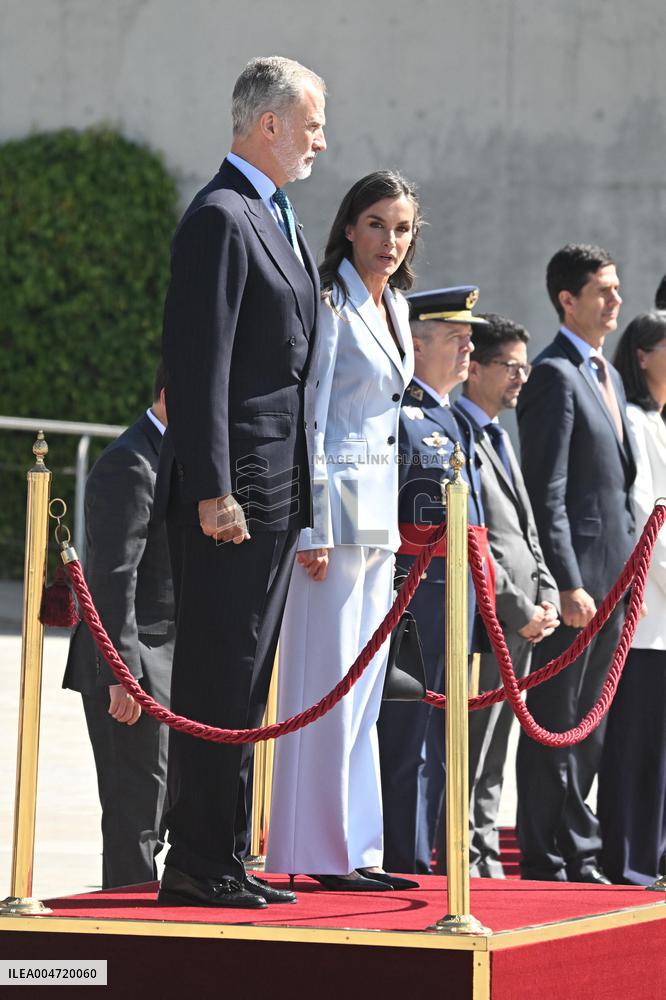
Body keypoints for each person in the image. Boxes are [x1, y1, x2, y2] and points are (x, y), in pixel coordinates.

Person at [157, 56, 326, 909]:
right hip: (233, 495)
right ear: (268, 124)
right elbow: (199, 365)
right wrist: (212, 487)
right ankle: (193, 861)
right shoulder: (222, 215)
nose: (320, 143)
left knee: (247, 681)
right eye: (311, 124)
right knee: (217, 675)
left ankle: (225, 851)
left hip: (275, 488)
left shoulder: (278, 215)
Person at [265, 170, 421, 891]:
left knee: (361, 694)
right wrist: (312, 524)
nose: (391, 240)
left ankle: (356, 848)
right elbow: (313, 417)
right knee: (322, 688)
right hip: (332, 525)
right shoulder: (330, 300)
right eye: (378, 224)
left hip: (377, 524)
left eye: (402, 227)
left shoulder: (398, 307)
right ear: (350, 227)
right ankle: (313, 851)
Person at [515, 243, 636, 883]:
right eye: (602, 290)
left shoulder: (606, 374)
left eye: (617, 289)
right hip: (577, 583)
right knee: (557, 721)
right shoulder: (555, 375)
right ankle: (549, 853)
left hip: (615, 580)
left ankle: (575, 846)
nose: (616, 300)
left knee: (591, 723)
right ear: (568, 299)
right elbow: (548, 492)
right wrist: (565, 581)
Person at [377, 285, 489, 875]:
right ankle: (403, 853)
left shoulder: (452, 416)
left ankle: (438, 854)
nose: (468, 347)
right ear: (415, 345)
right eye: (454, 337)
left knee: (446, 735)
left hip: (457, 595)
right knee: (407, 732)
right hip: (414, 594)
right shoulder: (400, 413)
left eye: (469, 338)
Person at [454, 314, 560, 878]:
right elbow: (476, 539)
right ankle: (464, 858)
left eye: (525, 366)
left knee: (497, 754)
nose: (522, 377)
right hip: (488, 622)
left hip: (523, 618)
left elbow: (525, 532)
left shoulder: (498, 433)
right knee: (471, 751)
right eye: (511, 366)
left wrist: (543, 596)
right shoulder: (459, 432)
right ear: (474, 369)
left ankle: (485, 854)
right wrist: (519, 609)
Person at [63, 363, 174, 889]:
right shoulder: (130, 462)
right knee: (136, 814)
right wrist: (123, 673)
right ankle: (127, 933)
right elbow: (112, 580)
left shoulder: (176, 456)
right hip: (132, 662)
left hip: (168, 657)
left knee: (166, 804)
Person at [598, 311, 666, 885]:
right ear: (642, 355)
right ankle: (627, 861)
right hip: (648, 611)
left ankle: (652, 856)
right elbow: (647, 516)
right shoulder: (639, 421)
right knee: (635, 746)